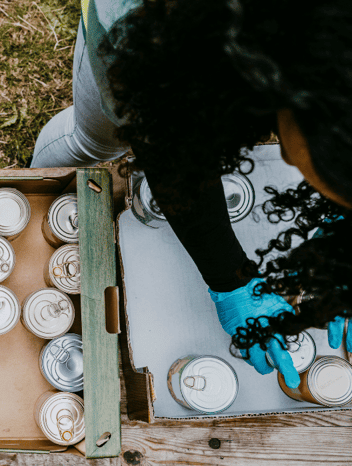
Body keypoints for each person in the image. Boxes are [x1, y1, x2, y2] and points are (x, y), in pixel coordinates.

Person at [32, 0, 352, 388]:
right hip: (154, 35)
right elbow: (171, 153)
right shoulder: (150, 29)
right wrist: (230, 279)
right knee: (95, 142)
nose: (282, 154)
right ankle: (39, 185)